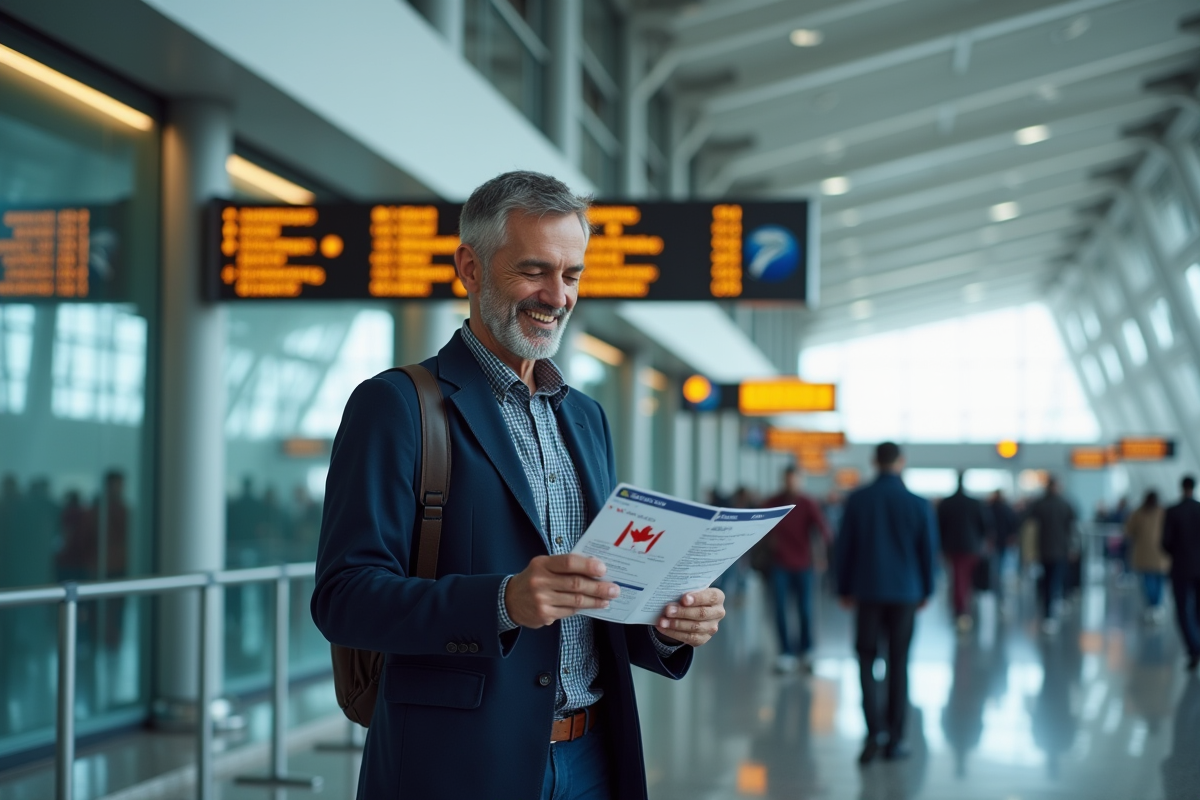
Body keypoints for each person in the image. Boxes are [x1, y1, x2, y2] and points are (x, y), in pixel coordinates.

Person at [311, 171, 725, 800]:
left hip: (592, 756)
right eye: (534, 271)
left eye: (572, 275)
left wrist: (665, 624)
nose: (556, 296)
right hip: (459, 765)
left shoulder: (584, 416)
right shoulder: (397, 406)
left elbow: (598, 595)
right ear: (470, 269)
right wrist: (502, 602)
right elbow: (344, 599)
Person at [835, 442, 938, 764]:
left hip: (866, 592)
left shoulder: (857, 500)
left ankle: (873, 733)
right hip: (906, 593)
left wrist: (843, 589)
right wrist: (926, 591)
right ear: (901, 462)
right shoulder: (918, 503)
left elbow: (843, 549)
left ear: (873, 461)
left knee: (867, 660)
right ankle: (896, 739)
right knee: (899, 662)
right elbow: (928, 553)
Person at [764, 465, 832, 673]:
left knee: (805, 609)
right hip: (779, 564)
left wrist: (820, 555)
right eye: (787, 479)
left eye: (795, 479)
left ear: (801, 480)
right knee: (780, 610)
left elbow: (824, 531)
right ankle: (786, 652)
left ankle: (806, 650)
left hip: (804, 565)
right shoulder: (772, 503)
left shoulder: (807, 503)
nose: (791, 483)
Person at [936, 473, 989, 632]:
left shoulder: (946, 503)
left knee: (958, 578)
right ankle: (963, 608)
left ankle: (961, 610)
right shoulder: (975, 503)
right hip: (972, 546)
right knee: (965, 578)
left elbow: (939, 526)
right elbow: (984, 524)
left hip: (952, 546)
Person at [1026, 475, 1077, 635]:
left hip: (1043, 549)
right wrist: (1072, 547)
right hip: (1059, 549)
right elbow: (1072, 528)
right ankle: (1051, 612)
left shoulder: (1039, 504)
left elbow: (1030, 528)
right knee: (1055, 580)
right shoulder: (1065, 504)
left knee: (1046, 581)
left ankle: (1047, 611)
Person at [1162, 475, 1200, 672]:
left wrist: (1178, 553)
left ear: (1181, 487)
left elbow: (1165, 542)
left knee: (1183, 610)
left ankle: (1194, 649)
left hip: (1181, 568)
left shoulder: (1173, 511)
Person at [1125, 490, 1170, 623]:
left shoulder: (1138, 513)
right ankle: (1157, 607)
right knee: (1159, 582)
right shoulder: (1163, 513)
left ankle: (1152, 606)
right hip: (1161, 554)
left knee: (1148, 581)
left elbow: (1128, 530)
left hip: (1143, 553)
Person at [987, 490, 1019, 606]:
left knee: (996, 566)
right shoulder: (1006, 508)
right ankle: (998, 589)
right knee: (999, 566)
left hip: (995, 541)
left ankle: (996, 588)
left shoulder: (990, 508)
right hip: (1003, 541)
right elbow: (1013, 524)